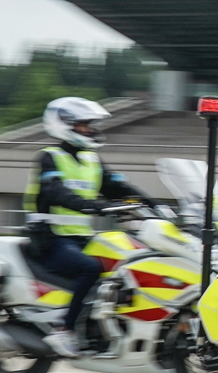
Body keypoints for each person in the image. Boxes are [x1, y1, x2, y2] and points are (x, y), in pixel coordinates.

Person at [24, 97, 151, 357]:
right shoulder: (49, 158)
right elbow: (54, 191)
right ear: (64, 125)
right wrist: (89, 205)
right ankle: (65, 330)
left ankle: (101, 330)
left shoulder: (92, 160)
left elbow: (118, 187)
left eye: (90, 125)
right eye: (84, 125)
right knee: (90, 268)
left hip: (82, 238)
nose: (90, 130)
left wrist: (154, 204)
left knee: (124, 262)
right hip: (51, 238)